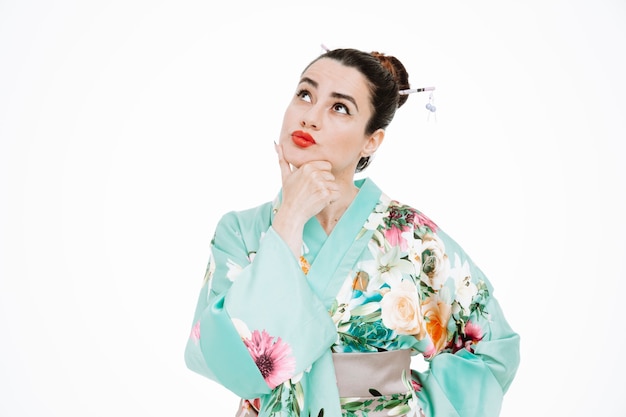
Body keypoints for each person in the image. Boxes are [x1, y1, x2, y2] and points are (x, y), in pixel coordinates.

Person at [184, 47, 520, 417]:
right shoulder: (240, 232)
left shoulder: (410, 237)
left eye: (339, 107)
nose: (311, 117)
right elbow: (229, 363)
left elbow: (493, 346)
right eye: (305, 94)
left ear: (370, 141)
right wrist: (290, 219)